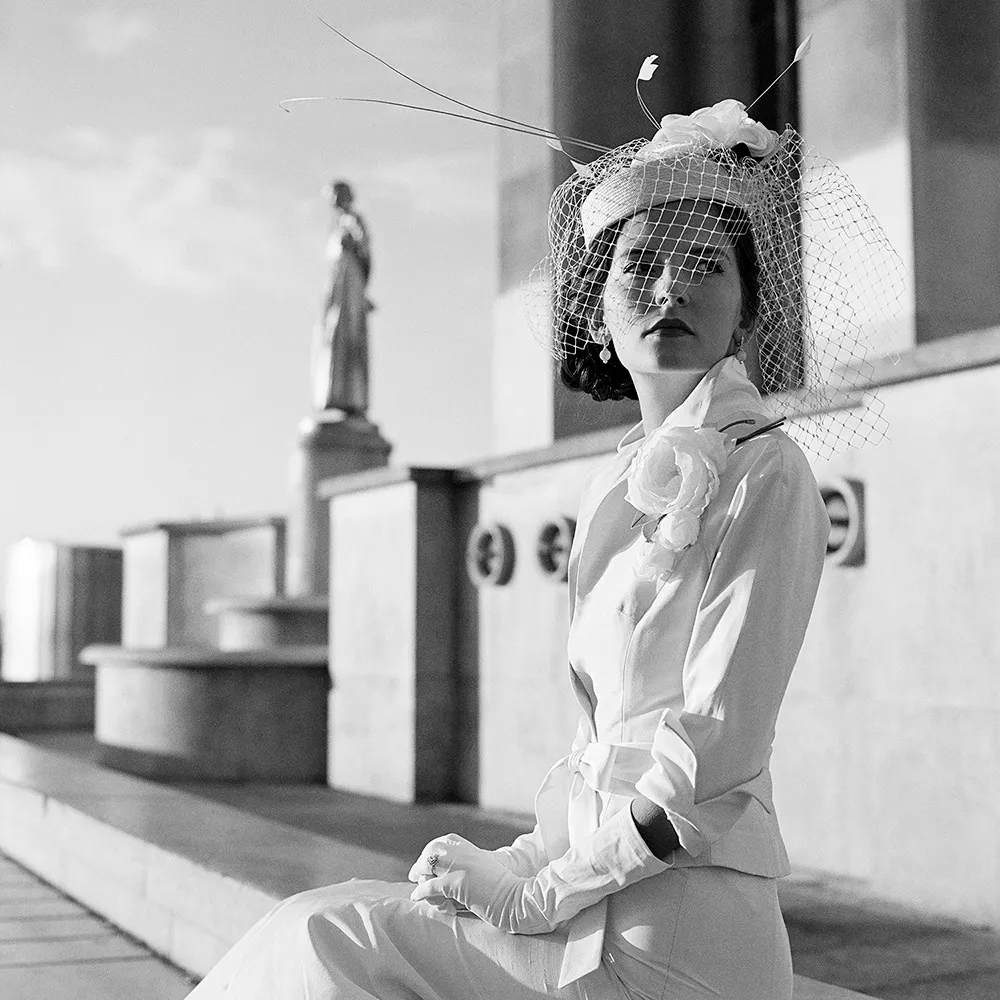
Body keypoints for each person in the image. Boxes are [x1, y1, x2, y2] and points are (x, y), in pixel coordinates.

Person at [188, 91, 900, 1000]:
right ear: (599, 306)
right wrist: (513, 857)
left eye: (705, 266)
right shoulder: (616, 483)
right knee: (328, 924)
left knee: (329, 937)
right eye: (641, 262)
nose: (671, 286)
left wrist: (538, 891)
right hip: (591, 902)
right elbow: (603, 749)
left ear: (750, 306)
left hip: (677, 933)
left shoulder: (768, 473)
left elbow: (709, 754)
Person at [313, 180, 373, 415]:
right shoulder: (335, 224)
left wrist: (361, 290)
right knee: (333, 338)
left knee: (349, 334)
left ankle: (352, 397)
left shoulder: (352, 221)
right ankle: (334, 394)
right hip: (337, 285)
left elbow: (364, 250)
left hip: (349, 284)